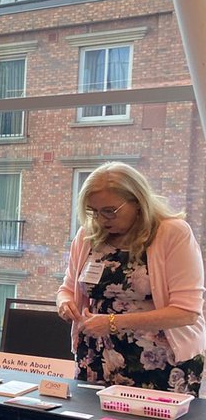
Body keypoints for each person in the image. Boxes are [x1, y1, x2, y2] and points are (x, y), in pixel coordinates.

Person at [57, 162, 206, 395]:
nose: (101, 219)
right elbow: (67, 288)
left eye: (109, 210)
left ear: (137, 202)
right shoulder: (87, 236)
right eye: (93, 211)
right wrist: (65, 304)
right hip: (97, 358)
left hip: (160, 361)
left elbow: (187, 312)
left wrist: (112, 323)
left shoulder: (172, 233)